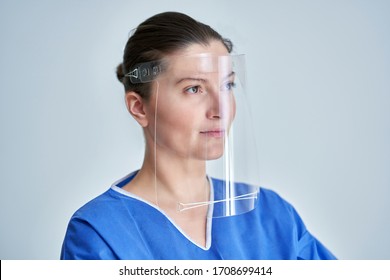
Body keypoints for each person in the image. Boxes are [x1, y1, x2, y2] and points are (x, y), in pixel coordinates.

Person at [61, 11, 336, 260]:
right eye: (194, 89)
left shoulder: (272, 216)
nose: (221, 109)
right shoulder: (100, 233)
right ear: (139, 107)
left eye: (227, 85)